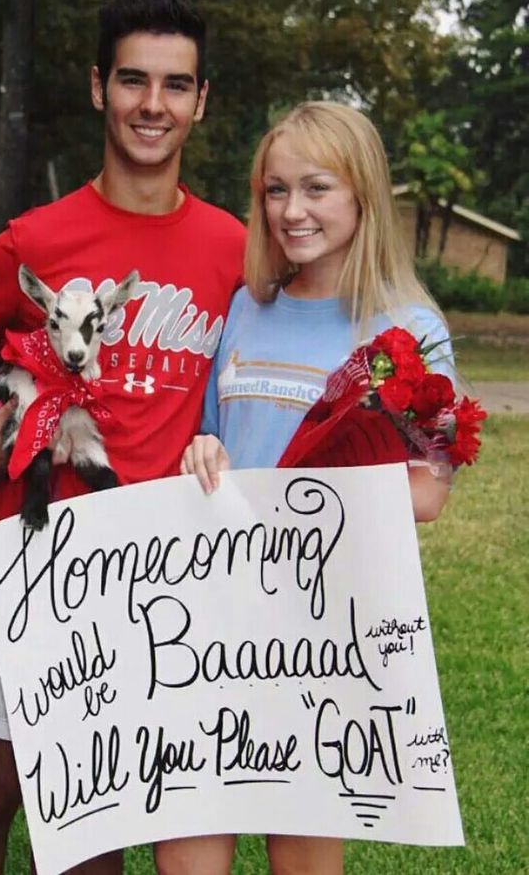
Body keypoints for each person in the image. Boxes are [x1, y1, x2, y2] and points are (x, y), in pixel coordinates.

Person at [0, 0, 245, 875]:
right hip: (23, 556)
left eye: (176, 85)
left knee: (95, 822)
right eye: (133, 80)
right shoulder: (37, 239)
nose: (152, 105)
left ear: (201, 100)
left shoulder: (233, 249)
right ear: (100, 87)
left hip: (148, 576)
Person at [158, 101, 456, 875]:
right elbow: (213, 439)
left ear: (364, 193)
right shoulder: (245, 309)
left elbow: (429, 492)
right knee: (187, 842)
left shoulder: (409, 328)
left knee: (302, 854)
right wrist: (204, 452)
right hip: (213, 617)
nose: (292, 211)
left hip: (326, 628)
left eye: (317, 188)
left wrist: (325, 482)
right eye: (275, 189)